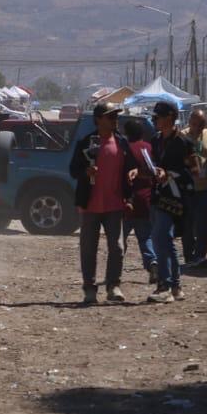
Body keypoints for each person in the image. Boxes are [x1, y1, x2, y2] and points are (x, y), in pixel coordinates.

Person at [69, 101, 141, 306]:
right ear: (99, 119)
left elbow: (132, 167)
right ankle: (89, 289)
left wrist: (132, 175)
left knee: (117, 248)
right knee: (88, 248)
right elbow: (73, 169)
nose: (115, 120)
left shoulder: (121, 143)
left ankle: (113, 286)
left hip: (114, 205)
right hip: (90, 205)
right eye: (111, 116)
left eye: (116, 116)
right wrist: (86, 172)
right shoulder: (86, 143)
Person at [146, 99, 196, 303]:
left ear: (169, 118)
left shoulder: (184, 143)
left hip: (175, 198)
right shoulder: (156, 140)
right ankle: (176, 286)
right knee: (166, 240)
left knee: (159, 238)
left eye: (158, 116)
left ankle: (164, 286)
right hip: (158, 195)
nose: (154, 120)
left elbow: (194, 171)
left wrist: (170, 174)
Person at [120, 118, 158, 284]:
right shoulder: (149, 148)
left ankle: (116, 268)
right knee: (146, 237)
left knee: (120, 238)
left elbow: (122, 176)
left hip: (130, 200)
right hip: (147, 199)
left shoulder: (126, 150)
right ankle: (152, 263)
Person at [183, 107, 207, 268]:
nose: (197, 127)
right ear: (190, 122)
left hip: (205, 187)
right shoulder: (181, 136)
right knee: (187, 222)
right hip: (188, 187)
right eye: (194, 124)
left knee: (202, 223)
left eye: (200, 125)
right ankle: (188, 255)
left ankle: (200, 255)